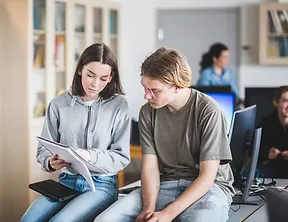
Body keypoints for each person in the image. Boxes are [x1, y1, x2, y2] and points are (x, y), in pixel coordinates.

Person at [95, 47, 235, 222]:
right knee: (104, 220)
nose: (146, 96)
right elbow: (150, 167)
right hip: (164, 184)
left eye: (154, 90)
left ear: (177, 86)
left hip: (209, 188)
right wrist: (149, 208)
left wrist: (168, 213)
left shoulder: (208, 111)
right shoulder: (147, 112)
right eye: (144, 88)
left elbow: (207, 177)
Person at [21, 43, 131, 222]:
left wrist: (90, 155)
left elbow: (121, 157)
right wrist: (50, 162)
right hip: (66, 181)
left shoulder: (119, 106)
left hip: (101, 185)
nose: (95, 84)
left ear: (111, 78)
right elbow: (43, 149)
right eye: (90, 75)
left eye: (103, 78)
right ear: (80, 69)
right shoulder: (58, 103)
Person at [258, 86, 288, 178]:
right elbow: (253, 150)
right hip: (272, 172)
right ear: (276, 102)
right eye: (285, 101)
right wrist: (268, 152)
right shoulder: (265, 123)